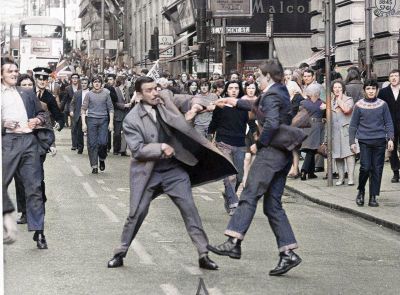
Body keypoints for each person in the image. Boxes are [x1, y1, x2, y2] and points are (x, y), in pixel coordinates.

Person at [107, 76, 236, 270]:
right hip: (148, 173)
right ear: (139, 95)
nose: (154, 93)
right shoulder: (131, 120)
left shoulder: (165, 97)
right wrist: (160, 147)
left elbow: (187, 99)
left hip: (174, 170)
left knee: (190, 210)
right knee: (137, 213)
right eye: (149, 91)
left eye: (155, 88)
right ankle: (120, 252)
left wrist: (200, 103)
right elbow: (137, 150)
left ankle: (203, 253)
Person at [207, 60, 302, 276]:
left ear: (268, 76)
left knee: (249, 194)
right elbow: (257, 107)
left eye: (259, 75)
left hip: (270, 155)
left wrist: (258, 144)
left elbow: (272, 122)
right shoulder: (278, 91)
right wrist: (234, 101)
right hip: (282, 155)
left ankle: (233, 241)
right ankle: (288, 253)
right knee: (272, 206)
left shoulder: (272, 94)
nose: (255, 79)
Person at [1, 57, 48, 249]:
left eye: (15, 71)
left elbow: (43, 114)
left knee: (34, 187)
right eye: (9, 71)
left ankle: (39, 232)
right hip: (7, 142)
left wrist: (37, 121)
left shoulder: (27, 93)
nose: (14, 74)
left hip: (29, 142)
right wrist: (3, 124)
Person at [349, 79, 394, 207]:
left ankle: (373, 196)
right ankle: (361, 191)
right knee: (365, 167)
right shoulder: (358, 105)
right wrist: (352, 142)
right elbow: (353, 125)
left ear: (377, 90)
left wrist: (390, 138)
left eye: (373, 88)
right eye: (368, 89)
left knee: (377, 169)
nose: (371, 91)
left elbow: (389, 123)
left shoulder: (383, 105)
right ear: (364, 91)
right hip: (364, 141)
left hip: (380, 141)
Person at [208, 81, 248, 215]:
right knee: (230, 176)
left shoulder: (244, 106)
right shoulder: (221, 106)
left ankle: (229, 195)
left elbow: (252, 123)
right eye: (231, 88)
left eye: (236, 88)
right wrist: (210, 139)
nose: (234, 90)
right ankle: (233, 204)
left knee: (239, 176)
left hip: (240, 143)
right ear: (226, 91)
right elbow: (214, 124)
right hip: (223, 142)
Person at [81, 76, 114, 174]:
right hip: (91, 120)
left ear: (101, 84)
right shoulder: (89, 94)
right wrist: (83, 123)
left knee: (103, 143)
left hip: (103, 120)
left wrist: (111, 122)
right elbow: (83, 109)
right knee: (92, 144)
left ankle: (102, 159)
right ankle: (94, 165)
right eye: (95, 82)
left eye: (99, 82)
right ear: (92, 84)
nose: (97, 84)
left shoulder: (106, 93)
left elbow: (111, 108)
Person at [330, 80, 356, 186]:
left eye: (339, 87)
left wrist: (340, 99)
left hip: (346, 130)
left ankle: (350, 178)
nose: (337, 89)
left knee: (349, 154)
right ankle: (340, 177)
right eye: (335, 87)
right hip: (334, 131)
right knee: (338, 156)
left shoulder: (349, 99)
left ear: (343, 89)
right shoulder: (330, 101)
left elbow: (346, 110)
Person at [378, 69, 400, 183]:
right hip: (390, 124)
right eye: (392, 76)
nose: (394, 78)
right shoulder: (383, 92)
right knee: (392, 149)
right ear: (389, 78)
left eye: (396, 75)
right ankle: (396, 172)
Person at [299, 83, 324, 181]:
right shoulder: (321, 103)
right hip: (317, 126)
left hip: (306, 127)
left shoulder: (303, 103)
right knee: (311, 149)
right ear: (317, 93)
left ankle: (310, 172)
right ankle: (304, 170)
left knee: (311, 148)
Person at [286, 81, 304, 179]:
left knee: (294, 148)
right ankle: (294, 169)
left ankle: (295, 170)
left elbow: (298, 112)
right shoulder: (288, 98)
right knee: (292, 149)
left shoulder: (298, 98)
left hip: (296, 127)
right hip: (289, 127)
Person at [70, 77, 90, 154]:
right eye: (82, 83)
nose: (83, 85)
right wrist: (71, 111)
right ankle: (80, 148)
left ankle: (90, 148)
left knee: (90, 133)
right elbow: (72, 103)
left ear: (88, 84)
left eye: (85, 83)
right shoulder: (77, 93)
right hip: (80, 115)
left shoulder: (91, 92)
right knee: (79, 133)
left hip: (90, 114)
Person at [112, 75, 132, 156]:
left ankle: (123, 150)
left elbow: (128, 100)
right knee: (117, 133)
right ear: (122, 81)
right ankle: (116, 149)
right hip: (118, 114)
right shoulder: (115, 90)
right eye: (126, 80)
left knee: (125, 132)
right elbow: (114, 103)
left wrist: (130, 103)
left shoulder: (127, 90)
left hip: (126, 114)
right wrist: (124, 106)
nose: (127, 82)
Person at [62, 73, 80, 149]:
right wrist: (60, 108)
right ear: (71, 79)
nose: (75, 79)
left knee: (80, 127)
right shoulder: (68, 88)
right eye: (73, 78)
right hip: (72, 109)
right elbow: (65, 99)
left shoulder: (82, 87)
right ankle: (74, 145)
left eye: (76, 78)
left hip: (81, 108)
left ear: (78, 79)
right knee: (74, 127)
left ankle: (80, 144)